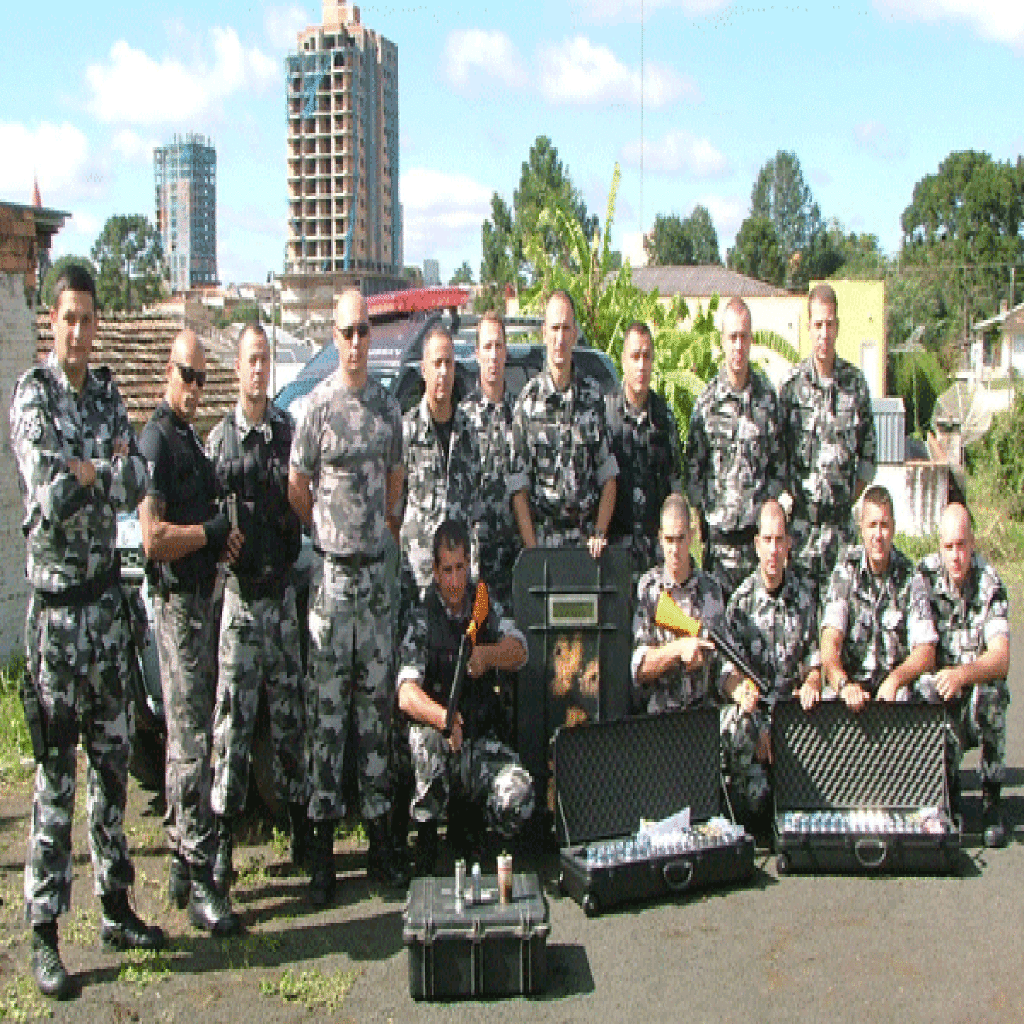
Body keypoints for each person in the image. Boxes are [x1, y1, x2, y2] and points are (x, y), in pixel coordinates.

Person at [10, 265, 165, 999]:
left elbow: (135, 481)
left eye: (87, 318)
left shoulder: (106, 393)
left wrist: (95, 471)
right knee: (54, 781)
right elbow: (49, 491)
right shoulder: (32, 397)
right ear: (52, 322)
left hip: (107, 611)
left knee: (111, 768)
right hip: (57, 619)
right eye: (66, 318)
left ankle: (114, 906)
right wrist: (94, 472)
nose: (78, 330)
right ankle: (43, 932)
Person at [288, 288, 407, 904]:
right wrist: (329, 536)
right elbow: (298, 484)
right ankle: (323, 855)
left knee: (374, 716)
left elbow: (397, 479)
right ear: (333, 337)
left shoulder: (387, 410)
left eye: (364, 331)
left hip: (375, 585)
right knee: (327, 718)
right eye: (347, 332)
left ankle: (383, 848)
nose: (356, 342)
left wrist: (381, 534)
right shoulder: (316, 408)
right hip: (332, 586)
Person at [139, 330, 242, 937]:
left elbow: (205, 520)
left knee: (197, 734)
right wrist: (207, 534)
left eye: (203, 378)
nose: (194, 389)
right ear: (168, 373)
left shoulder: (188, 443)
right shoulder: (155, 438)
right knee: (189, 747)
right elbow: (154, 538)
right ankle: (200, 875)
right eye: (187, 375)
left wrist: (219, 538)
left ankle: (184, 861)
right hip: (177, 606)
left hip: (202, 602)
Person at [206, 324, 309, 894]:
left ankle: (300, 830)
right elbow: (202, 510)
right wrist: (217, 538)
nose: (257, 369)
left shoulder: (288, 433)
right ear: (237, 367)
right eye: (249, 359)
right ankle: (221, 845)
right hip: (242, 607)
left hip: (283, 599)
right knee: (234, 725)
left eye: (265, 359)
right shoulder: (220, 440)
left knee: (290, 721)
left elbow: (307, 490)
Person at [395, 519, 533, 874]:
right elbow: (406, 693)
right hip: (441, 746)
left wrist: (488, 656)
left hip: (479, 743)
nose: (455, 580)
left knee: (519, 794)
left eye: (461, 568)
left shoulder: (483, 604)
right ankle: (425, 839)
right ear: (435, 572)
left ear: (469, 564)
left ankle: (482, 835)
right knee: (423, 740)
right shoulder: (422, 615)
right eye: (447, 570)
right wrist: (441, 717)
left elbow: (520, 651)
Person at [910, 503, 1011, 848]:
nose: (956, 556)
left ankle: (991, 797)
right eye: (948, 547)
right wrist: (946, 678)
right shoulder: (923, 577)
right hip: (942, 692)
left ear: (973, 543)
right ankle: (945, 789)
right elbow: (922, 650)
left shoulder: (989, 581)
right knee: (923, 688)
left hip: (973, 687)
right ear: (940, 546)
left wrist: (963, 674)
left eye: (962, 545)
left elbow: (1000, 658)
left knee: (994, 692)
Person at [721, 499, 822, 829]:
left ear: (789, 544)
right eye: (767, 540)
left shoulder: (805, 598)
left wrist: (812, 683)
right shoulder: (740, 604)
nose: (773, 550)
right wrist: (752, 710)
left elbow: (815, 663)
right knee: (734, 723)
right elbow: (728, 676)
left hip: (794, 718)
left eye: (780, 540)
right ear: (756, 545)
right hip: (758, 719)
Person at [779, 284, 876, 600]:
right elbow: (778, 457)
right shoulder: (791, 388)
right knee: (802, 628)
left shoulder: (855, 385)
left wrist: (844, 498)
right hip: (802, 532)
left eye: (830, 323)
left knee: (842, 622)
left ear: (838, 326)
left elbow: (867, 458)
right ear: (809, 327)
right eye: (818, 324)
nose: (824, 332)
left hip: (842, 532)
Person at [686, 298, 785, 598]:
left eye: (744, 337)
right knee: (718, 632)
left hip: (758, 546)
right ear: (722, 341)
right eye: (732, 337)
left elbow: (779, 467)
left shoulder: (767, 400)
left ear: (751, 339)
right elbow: (694, 474)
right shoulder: (706, 404)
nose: (738, 345)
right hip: (719, 548)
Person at [509, 290, 617, 559]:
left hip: (586, 545)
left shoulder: (593, 399)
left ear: (575, 334)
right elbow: (518, 486)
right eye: (554, 328)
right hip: (543, 542)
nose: (559, 339)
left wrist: (600, 533)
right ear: (544, 332)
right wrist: (532, 549)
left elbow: (609, 476)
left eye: (565, 329)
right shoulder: (528, 401)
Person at [819, 485, 933, 711]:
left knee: (927, 688)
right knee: (826, 700)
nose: (878, 535)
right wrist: (843, 684)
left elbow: (926, 651)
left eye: (884, 525)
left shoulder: (911, 577)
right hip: (853, 687)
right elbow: (830, 641)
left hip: (895, 690)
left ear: (893, 528)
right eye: (872, 526)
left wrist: (896, 679)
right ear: (861, 528)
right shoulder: (845, 572)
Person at [400, 326, 482, 595]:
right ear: (424, 369)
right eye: (437, 363)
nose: (443, 372)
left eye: (448, 363)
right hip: (419, 583)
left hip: (460, 586)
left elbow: (476, 511)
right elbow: (392, 512)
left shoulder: (469, 433)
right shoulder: (407, 432)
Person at [631, 495, 726, 715]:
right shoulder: (649, 588)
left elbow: (724, 662)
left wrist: (739, 688)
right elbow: (639, 668)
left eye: (681, 539)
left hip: (702, 715)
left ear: (692, 537)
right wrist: (679, 650)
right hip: (658, 717)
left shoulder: (711, 588)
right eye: (670, 540)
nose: (675, 549)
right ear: (660, 539)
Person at [605, 320, 683, 581]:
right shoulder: (604, 415)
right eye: (635, 356)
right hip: (615, 553)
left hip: (656, 555)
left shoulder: (664, 418)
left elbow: (675, 487)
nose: (641, 365)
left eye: (647, 357)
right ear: (623, 361)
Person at [461, 311, 520, 612]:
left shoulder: (522, 414)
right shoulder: (462, 417)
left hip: (514, 557)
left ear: (506, 352)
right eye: (487, 347)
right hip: (475, 562)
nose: (493, 355)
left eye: (498, 346)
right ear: (476, 354)